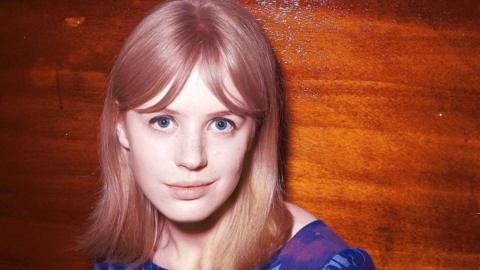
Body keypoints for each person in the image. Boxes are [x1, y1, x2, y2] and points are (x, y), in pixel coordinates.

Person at [81, 0, 376, 269]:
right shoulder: (117, 255)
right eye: (163, 121)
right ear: (120, 126)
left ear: (254, 133)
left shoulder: (320, 265)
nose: (192, 158)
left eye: (221, 124)